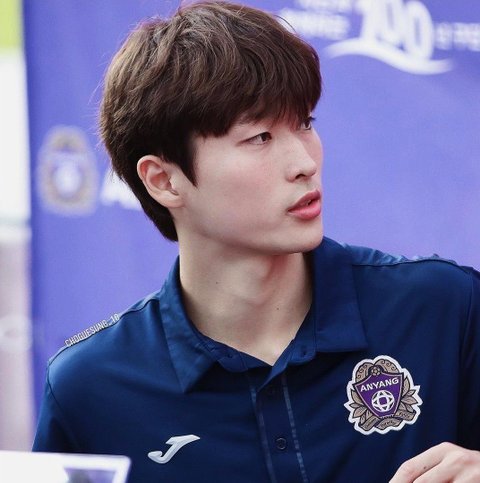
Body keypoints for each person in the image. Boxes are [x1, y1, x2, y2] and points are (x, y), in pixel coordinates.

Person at [33, 1, 480, 482]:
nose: (304, 162)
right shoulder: (90, 387)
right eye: (261, 137)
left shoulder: (442, 309)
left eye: (305, 123)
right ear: (164, 180)